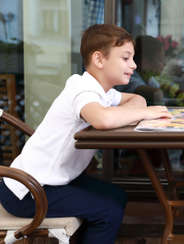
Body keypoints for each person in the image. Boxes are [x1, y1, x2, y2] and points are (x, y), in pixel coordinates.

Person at [0, 24, 171, 244]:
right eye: (126, 58)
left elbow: (136, 99)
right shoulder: (82, 90)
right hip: (30, 191)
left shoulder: (102, 91)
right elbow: (103, 119)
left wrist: (136, 110)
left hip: (52, 182)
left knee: (117, 196)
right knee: (108, 211)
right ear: (99, 60)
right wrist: (144, 113)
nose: (134, 65)